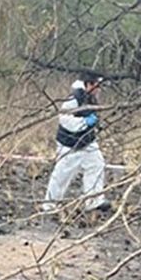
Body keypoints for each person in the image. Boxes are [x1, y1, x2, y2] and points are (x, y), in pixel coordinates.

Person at [42, 72, 110, 213]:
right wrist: (85, 122)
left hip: (87, 142)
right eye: (97, 86)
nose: (99, 90)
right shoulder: (74, 98)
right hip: (70, 144)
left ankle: (94, 200)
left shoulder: (91, 98)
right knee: (62, 174)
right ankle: (49, 205)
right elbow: (65, 120)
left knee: (96, 165)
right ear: (89, 84)